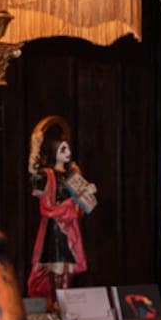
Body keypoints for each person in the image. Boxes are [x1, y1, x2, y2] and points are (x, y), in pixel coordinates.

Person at [26, 115, 97, 300]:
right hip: (55, 224)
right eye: (63, 149)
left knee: (68, 265)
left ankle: (65, 300)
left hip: (70, 224)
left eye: (68, 148)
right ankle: (54, 301)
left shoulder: (72, 174)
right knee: (55, 264)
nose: (68, 152)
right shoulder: (47, 174)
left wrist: (87, 191)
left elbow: (82, 197)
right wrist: (34, 150)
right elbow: (35, 178)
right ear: (54, 152)